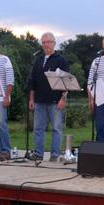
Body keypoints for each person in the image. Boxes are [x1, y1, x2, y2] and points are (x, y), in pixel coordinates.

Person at [29, 32, 69, 161]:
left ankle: (55, 155)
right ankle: (38, 154)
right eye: (44, 42)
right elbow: (33, 81)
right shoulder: (38, 60)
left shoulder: (61, 60)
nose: (46, 44)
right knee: (38, 128)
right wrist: (31, 99)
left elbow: (67, 82)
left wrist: (63, 99)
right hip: (39, 100)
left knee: (56, 129)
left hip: (55, 100)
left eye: (48, 42)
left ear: (54, 43)